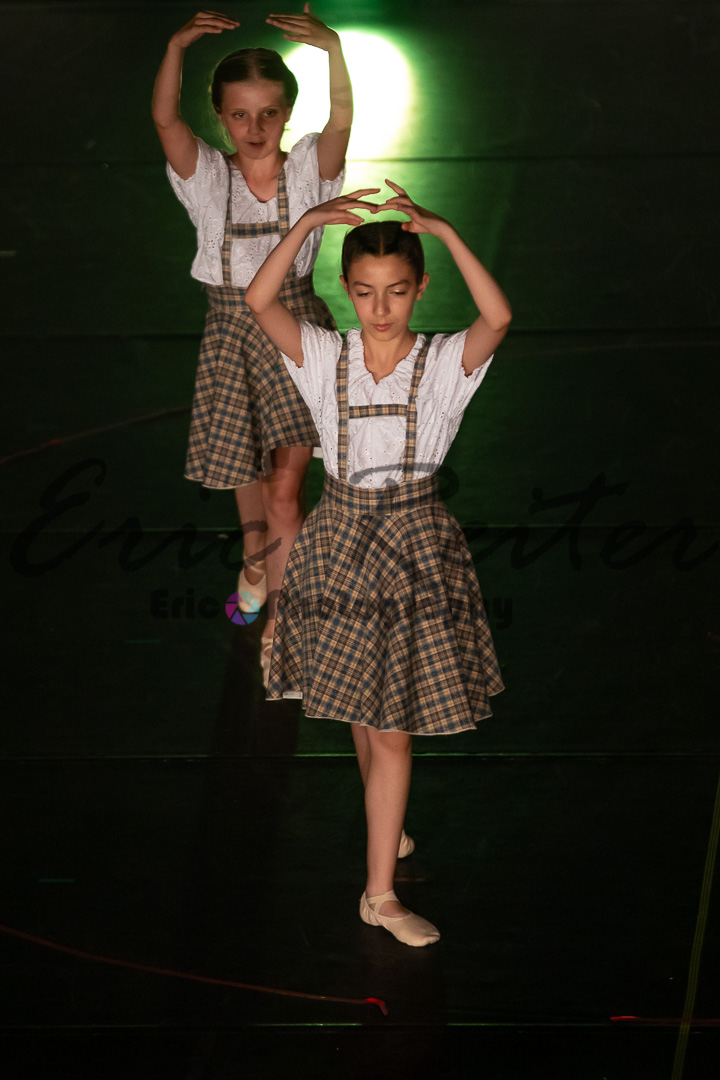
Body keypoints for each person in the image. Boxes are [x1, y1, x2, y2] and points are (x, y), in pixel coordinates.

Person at [245, 180, 512, 946]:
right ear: (345, 288)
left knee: (387, 720)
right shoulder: (326, 356)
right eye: (363, 292)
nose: (380, 307)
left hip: (416, 545)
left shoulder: (444, 362)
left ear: (420, 287)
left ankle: (381, 872)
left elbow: (498, 317)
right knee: (373, 715)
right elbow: (260, 302)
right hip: (339, 541)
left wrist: (446, 229)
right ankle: (380, 891)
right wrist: (306, 222)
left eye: (396, 290)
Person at [151, 6, 352, 684]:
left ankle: (283, 626)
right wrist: (176, 45)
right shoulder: (207, 177)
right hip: (231, 329)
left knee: (286, 491)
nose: (256, 127)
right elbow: (164, 121)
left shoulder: (307, 170)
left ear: (287, 114)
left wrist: (333, 50)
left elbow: (341, 123)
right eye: (240, 115)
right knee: (247, 467)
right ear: (220, 115)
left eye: (269, 113)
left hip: (294, 331)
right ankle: (256, 558)